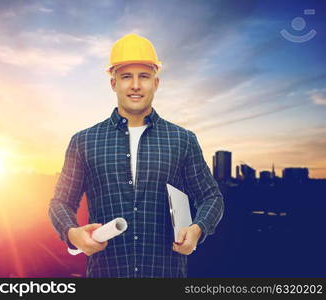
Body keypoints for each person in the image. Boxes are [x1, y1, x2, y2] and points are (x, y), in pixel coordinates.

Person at [49, 33, 224, 278]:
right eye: (126, 77)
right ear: (113, 83)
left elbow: (211, 197)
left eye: (144, 76)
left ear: (156, 82)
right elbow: (60, 202)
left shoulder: (182, 140)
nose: (135, 85)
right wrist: (71, 233)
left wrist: (198, 229)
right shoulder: (84, 141)